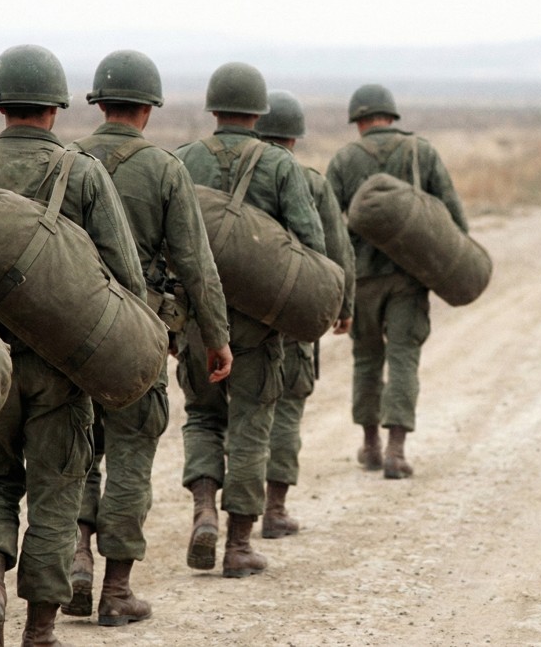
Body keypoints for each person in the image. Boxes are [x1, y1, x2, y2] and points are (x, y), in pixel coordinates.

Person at [0, 44, 145, 647]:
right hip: (61, 370)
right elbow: (124, 280)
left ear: (0, 104)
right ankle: (42, 628)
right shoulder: (82, 172)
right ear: (56, 108)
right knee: (58, 489)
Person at [63, 49, 232, 625]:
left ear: (98, 102)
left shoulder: (67, 160)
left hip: (71, 333)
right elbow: (195, 263)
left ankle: (78, 557)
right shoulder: (164, 168)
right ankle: (115, 592)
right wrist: (215, 337)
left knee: (81, 450)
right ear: (149, 108)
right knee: (132, 453)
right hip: (139, 334)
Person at [173, 62, 325, 578]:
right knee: (252, 425)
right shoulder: (280, 166)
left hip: (200, 321)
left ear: (213, 108)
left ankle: (202, 512)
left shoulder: (183, 159)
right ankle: (238, 546)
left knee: (201, 415)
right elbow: (310, 245)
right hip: (260, 327)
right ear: (259, 111)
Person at [326, 84, 468, 479]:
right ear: (391, 116)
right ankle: (396, 450)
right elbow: (454, 217)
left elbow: (327, 224)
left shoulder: (343, 160)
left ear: (359, 122)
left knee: (366, 359)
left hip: (364, 280)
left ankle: (370, 445)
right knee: (404, 357)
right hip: (409, 277)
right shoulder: (422, 152)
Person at [254, 90, 355, 537]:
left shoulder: (217, 172)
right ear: (295, 137)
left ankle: (211, 511)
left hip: (226, 316)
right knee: (287, 408)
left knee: (220, 416)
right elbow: (336, 250)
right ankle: (274, 510)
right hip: (291, 317)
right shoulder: (309, 181)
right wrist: (343, 307)